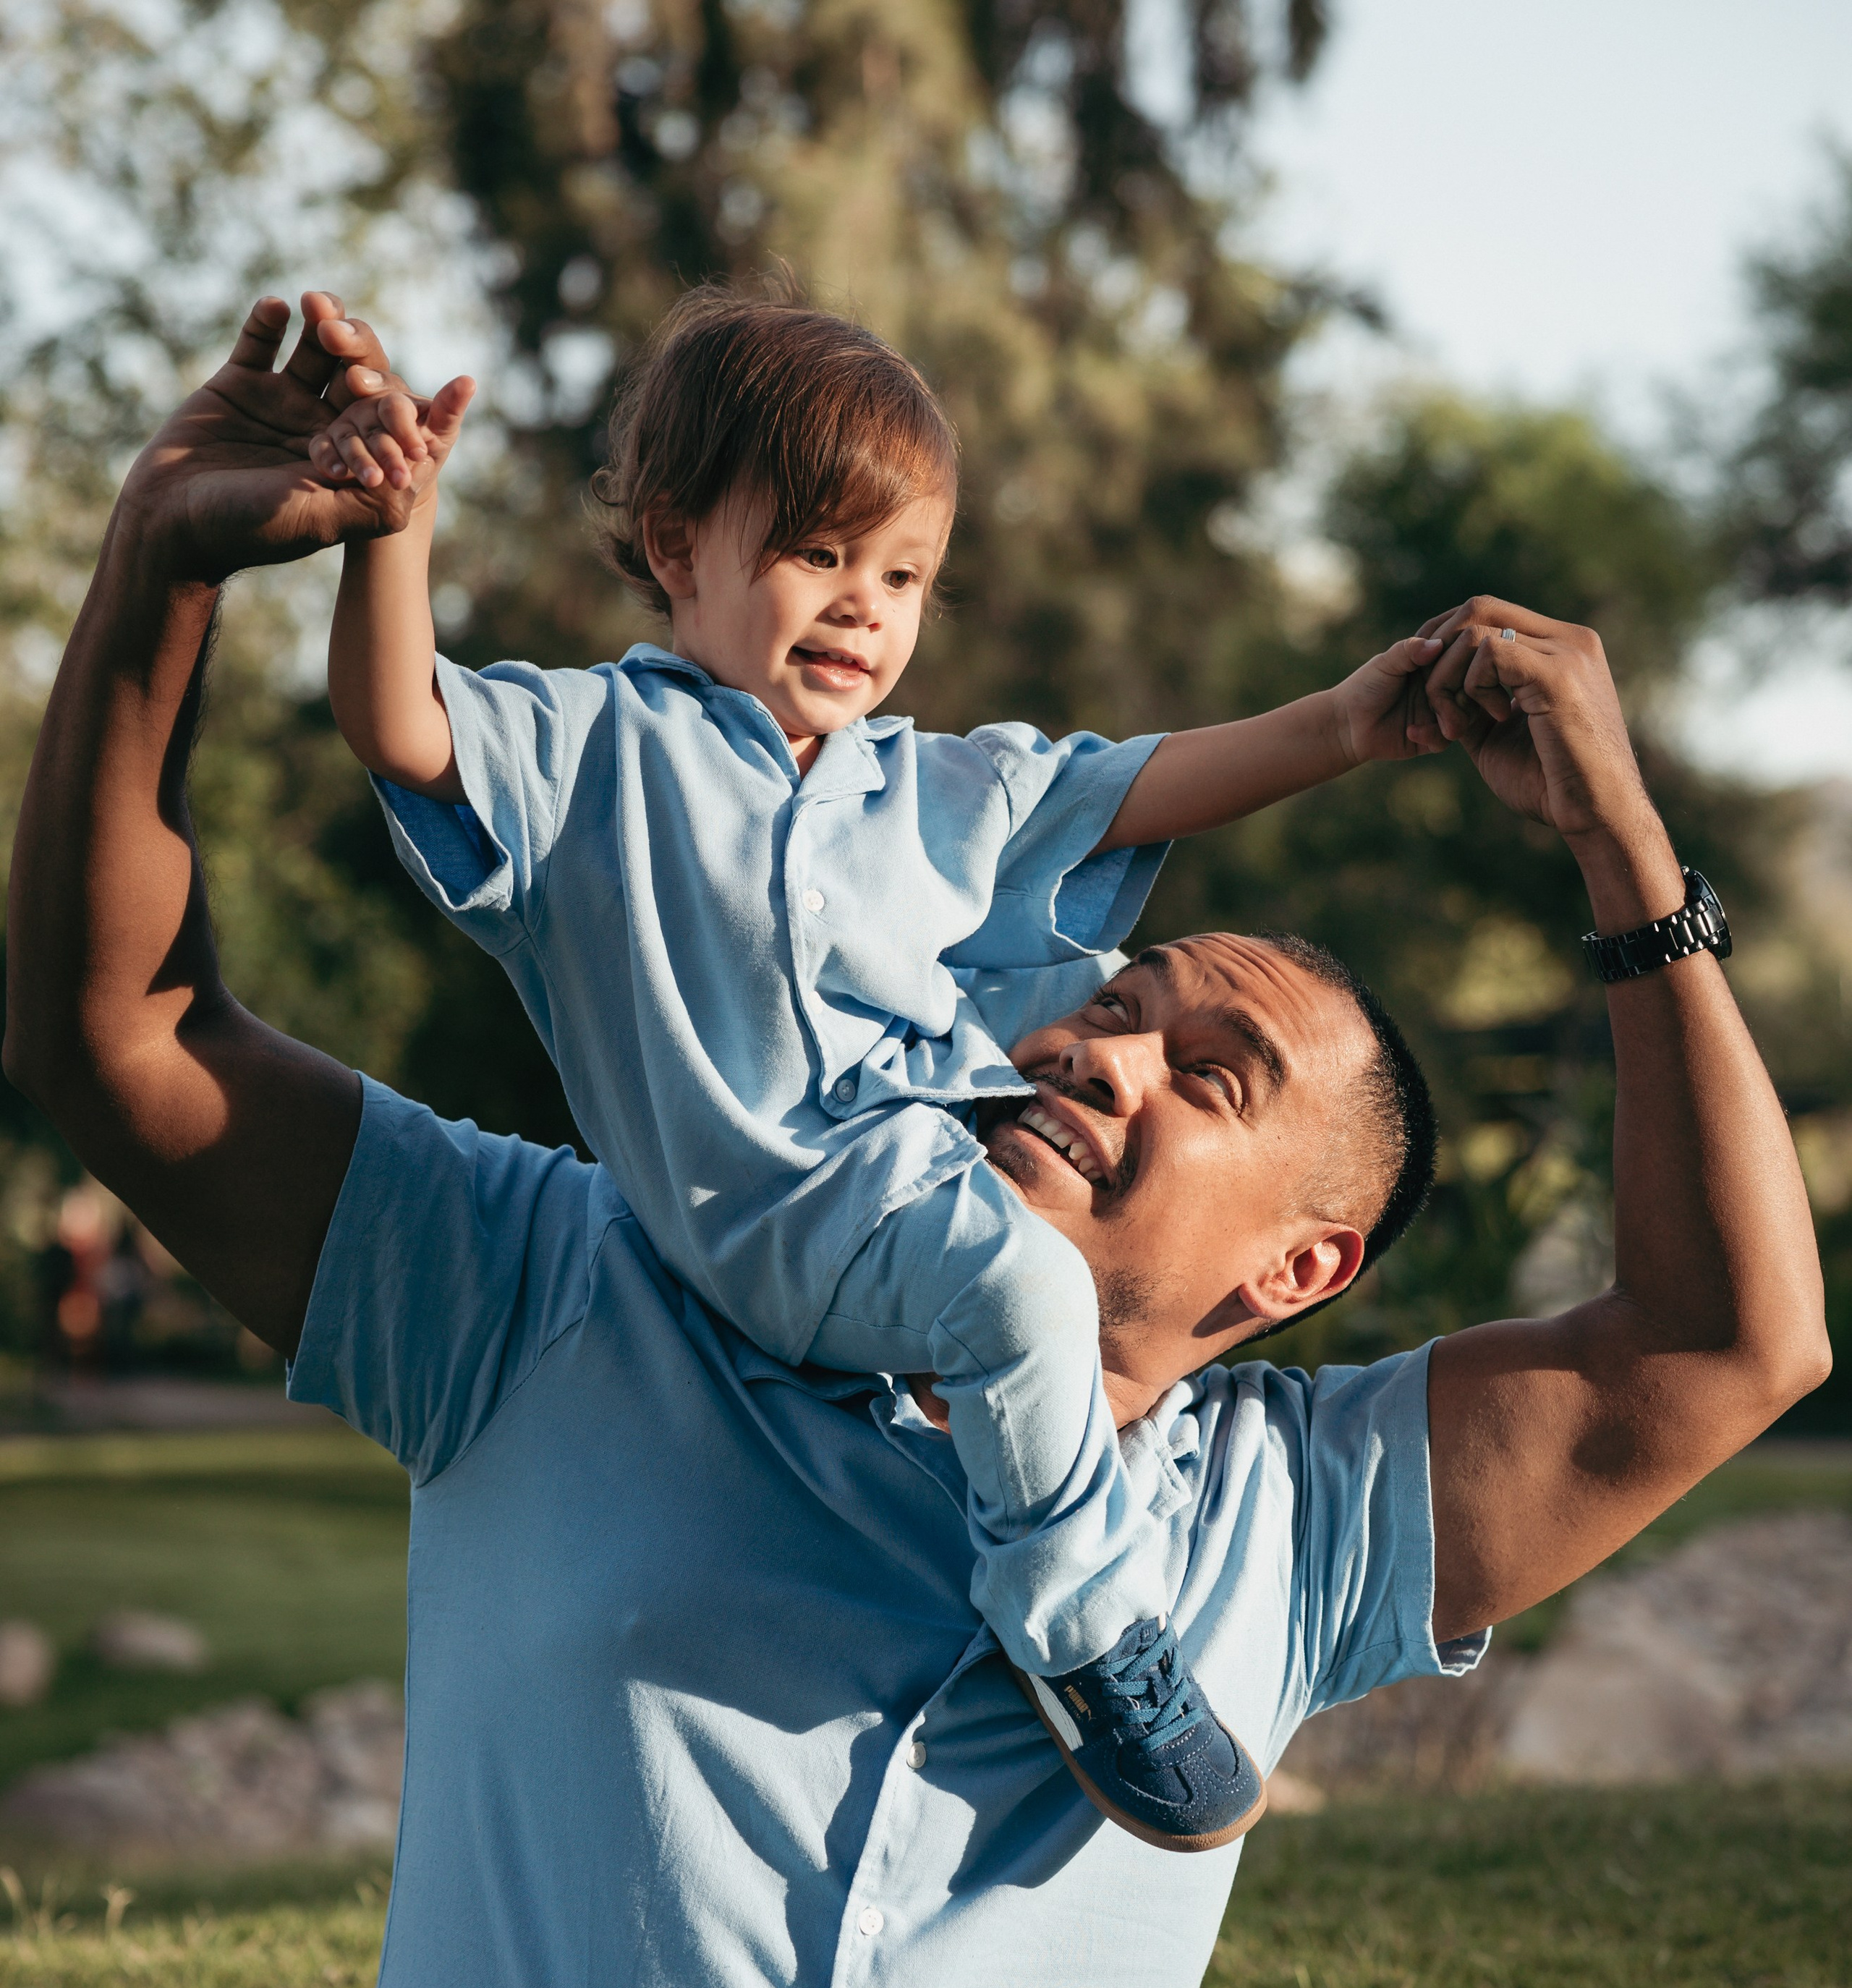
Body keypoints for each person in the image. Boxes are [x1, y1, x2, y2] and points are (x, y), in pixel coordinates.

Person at [8, 295, 1849, 1988]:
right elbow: (120, 1040)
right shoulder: (550, 1281)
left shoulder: (1304, 1506)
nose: (1097, 1041)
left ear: (1304, 1262)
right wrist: (159, 564)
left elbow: (1733, 1343)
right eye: (1112, 994)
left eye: (1205, 1064)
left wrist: (1630, 856)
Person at [300, 285, 1454, 1848]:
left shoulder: (928, 787)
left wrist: (1341, 723)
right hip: (761, 1215)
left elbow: (1140, 786)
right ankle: (1084, 1626)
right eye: (818, 553)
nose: (863, 607)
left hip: (905, 1195)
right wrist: (390, 532)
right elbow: (397, 723)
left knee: (1032, 1225)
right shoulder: (592, 755)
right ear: (672, 543)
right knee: (1030, 1293)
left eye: (902, 574)